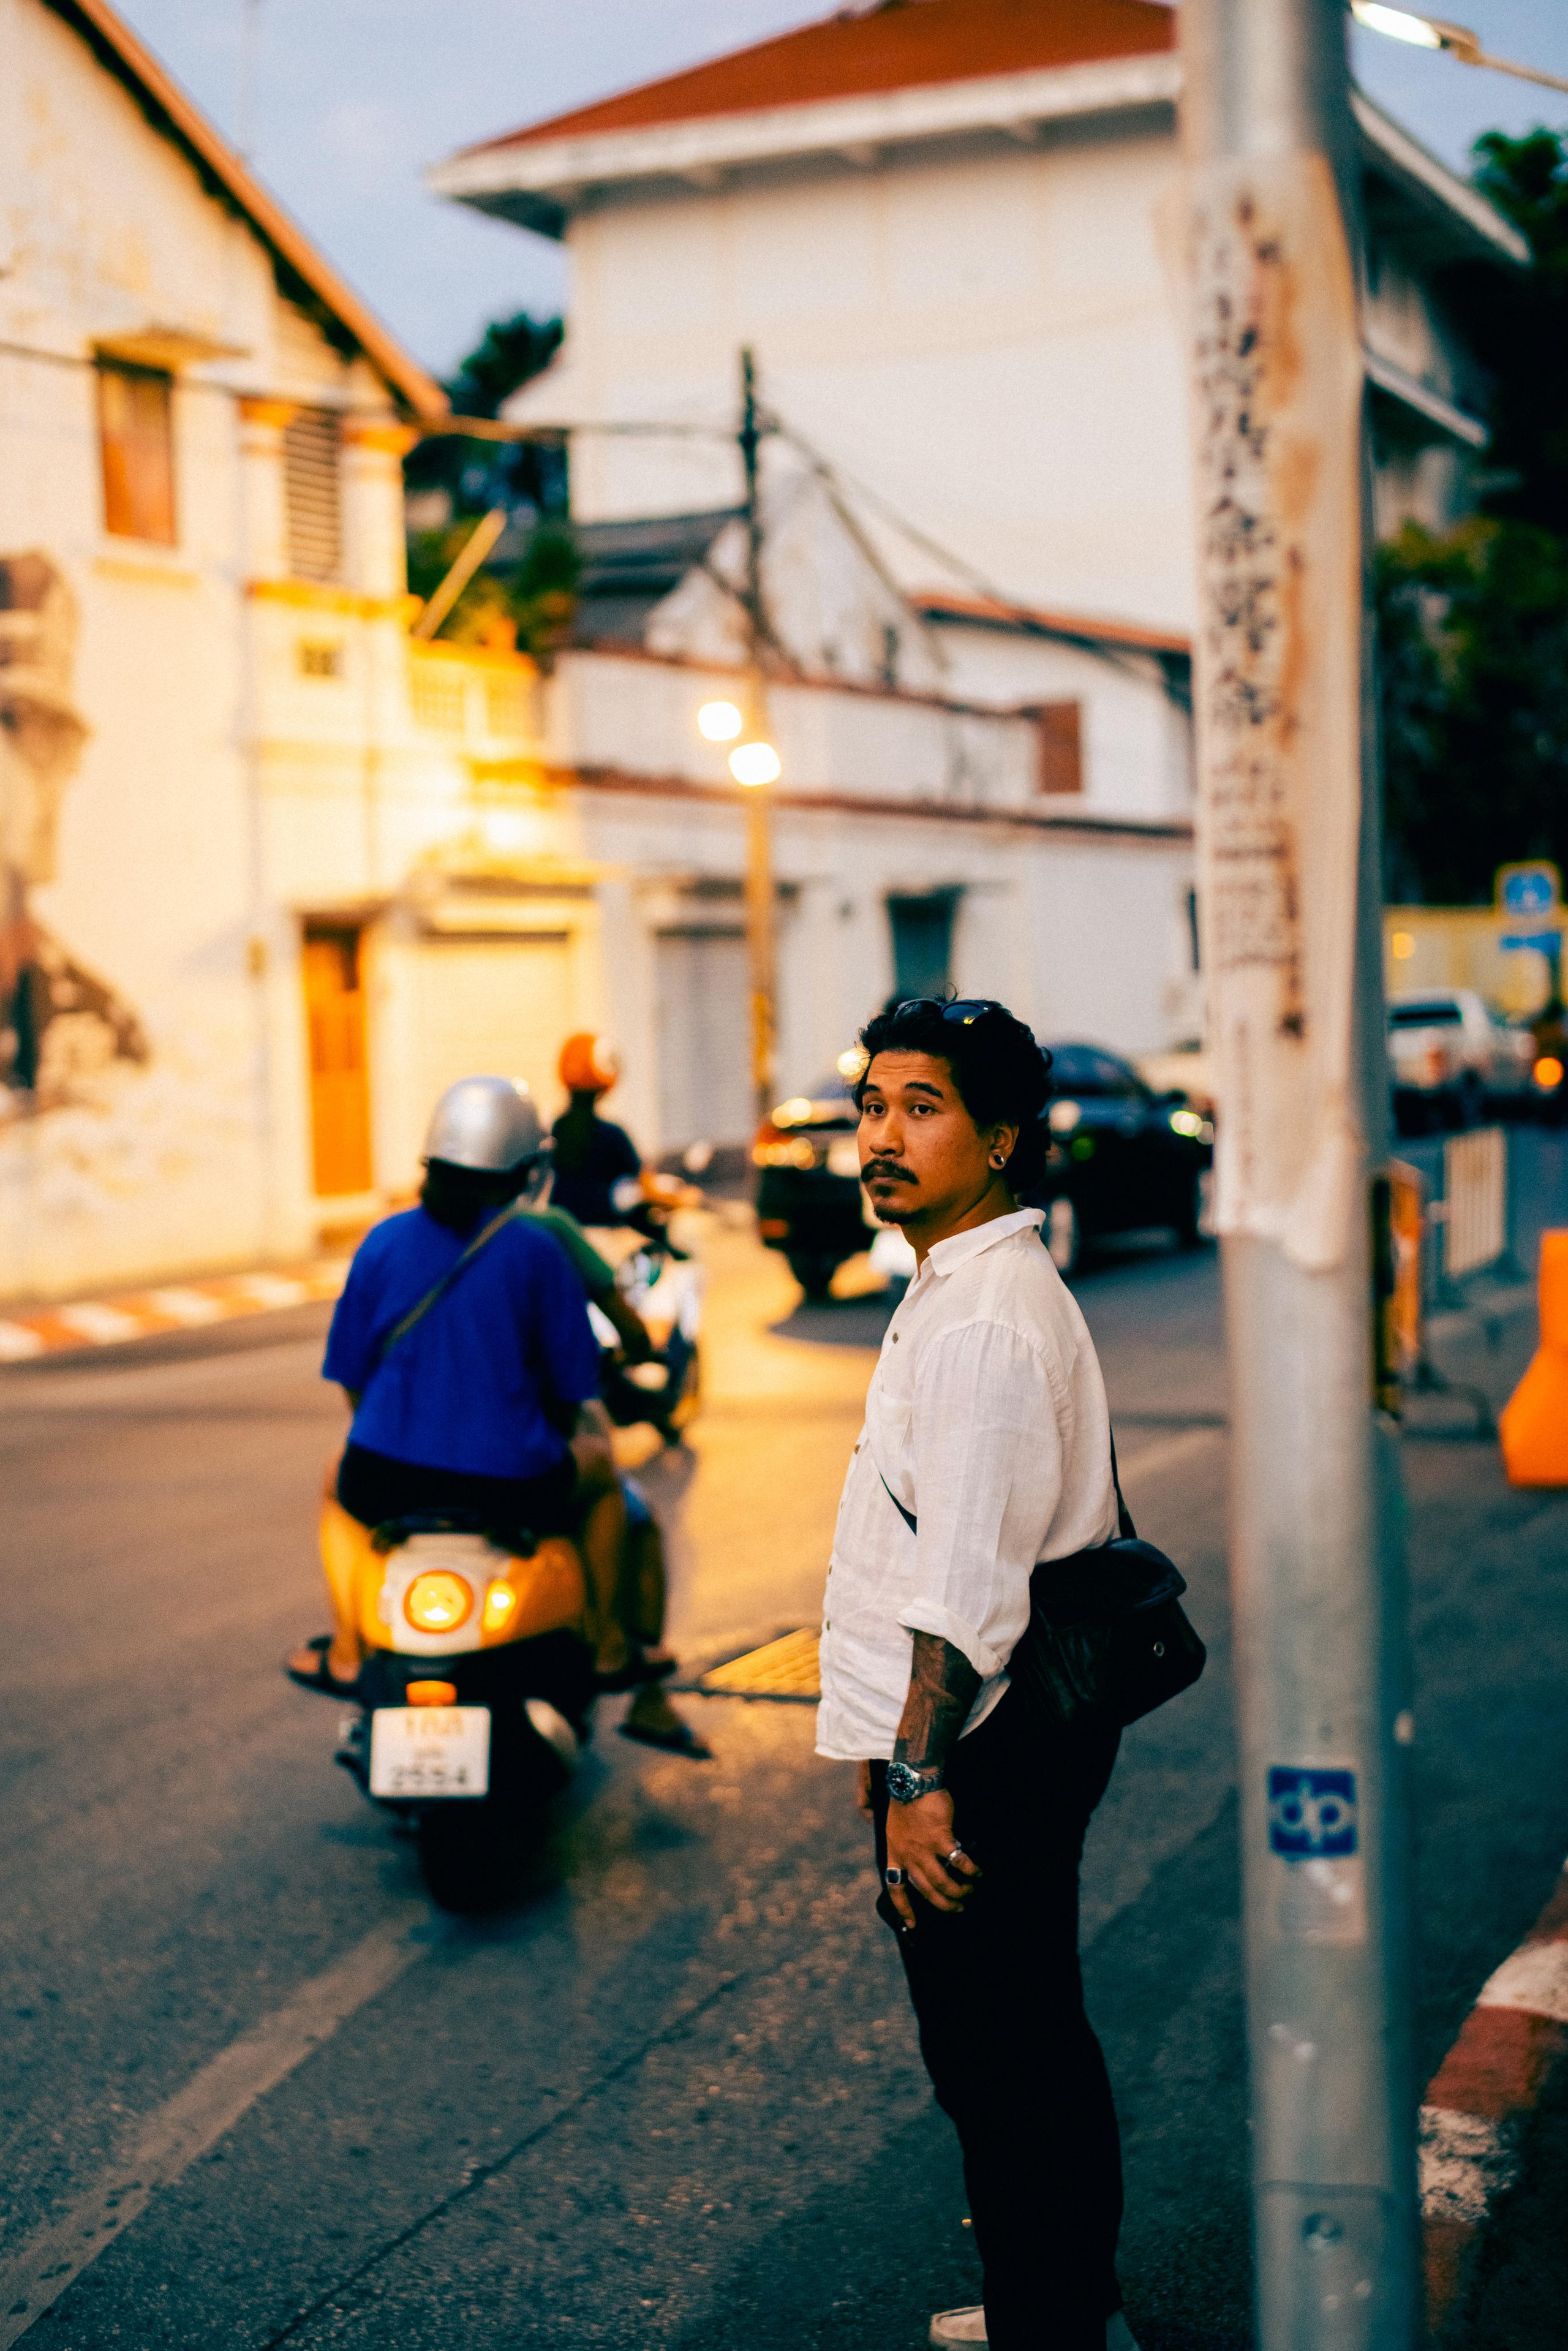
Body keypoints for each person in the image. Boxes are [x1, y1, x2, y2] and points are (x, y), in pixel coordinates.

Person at [816, 997, 1138, 2351]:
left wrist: (916, 1779)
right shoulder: (952, 1284)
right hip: (977, 1745)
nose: (880, 1136)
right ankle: (1045, 2300)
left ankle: (1055, 2320)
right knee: (1007, 2045)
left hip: (983, 1749)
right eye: (870, 1106)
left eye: (919, 1107)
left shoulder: (986, 1320)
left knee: (1004, 2052)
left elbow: (961, 1591)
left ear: (999, 1138)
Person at [287, 1076, 682, 1720]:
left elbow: (352, 1374)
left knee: (338, 1487)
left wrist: (392, 1431)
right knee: (605, 1476)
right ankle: (610, 1646)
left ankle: (349, 1650)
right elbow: (572, 1386)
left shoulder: (381, 1242)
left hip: (386, 1477)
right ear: (525, 1171)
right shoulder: (537, 1248)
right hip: (511, 1483)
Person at [549, 1033, 645, 1228]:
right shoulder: (613, 1136)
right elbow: (639, 1185)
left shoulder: (552, 1132)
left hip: (563, 1232)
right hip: (608, 1232)